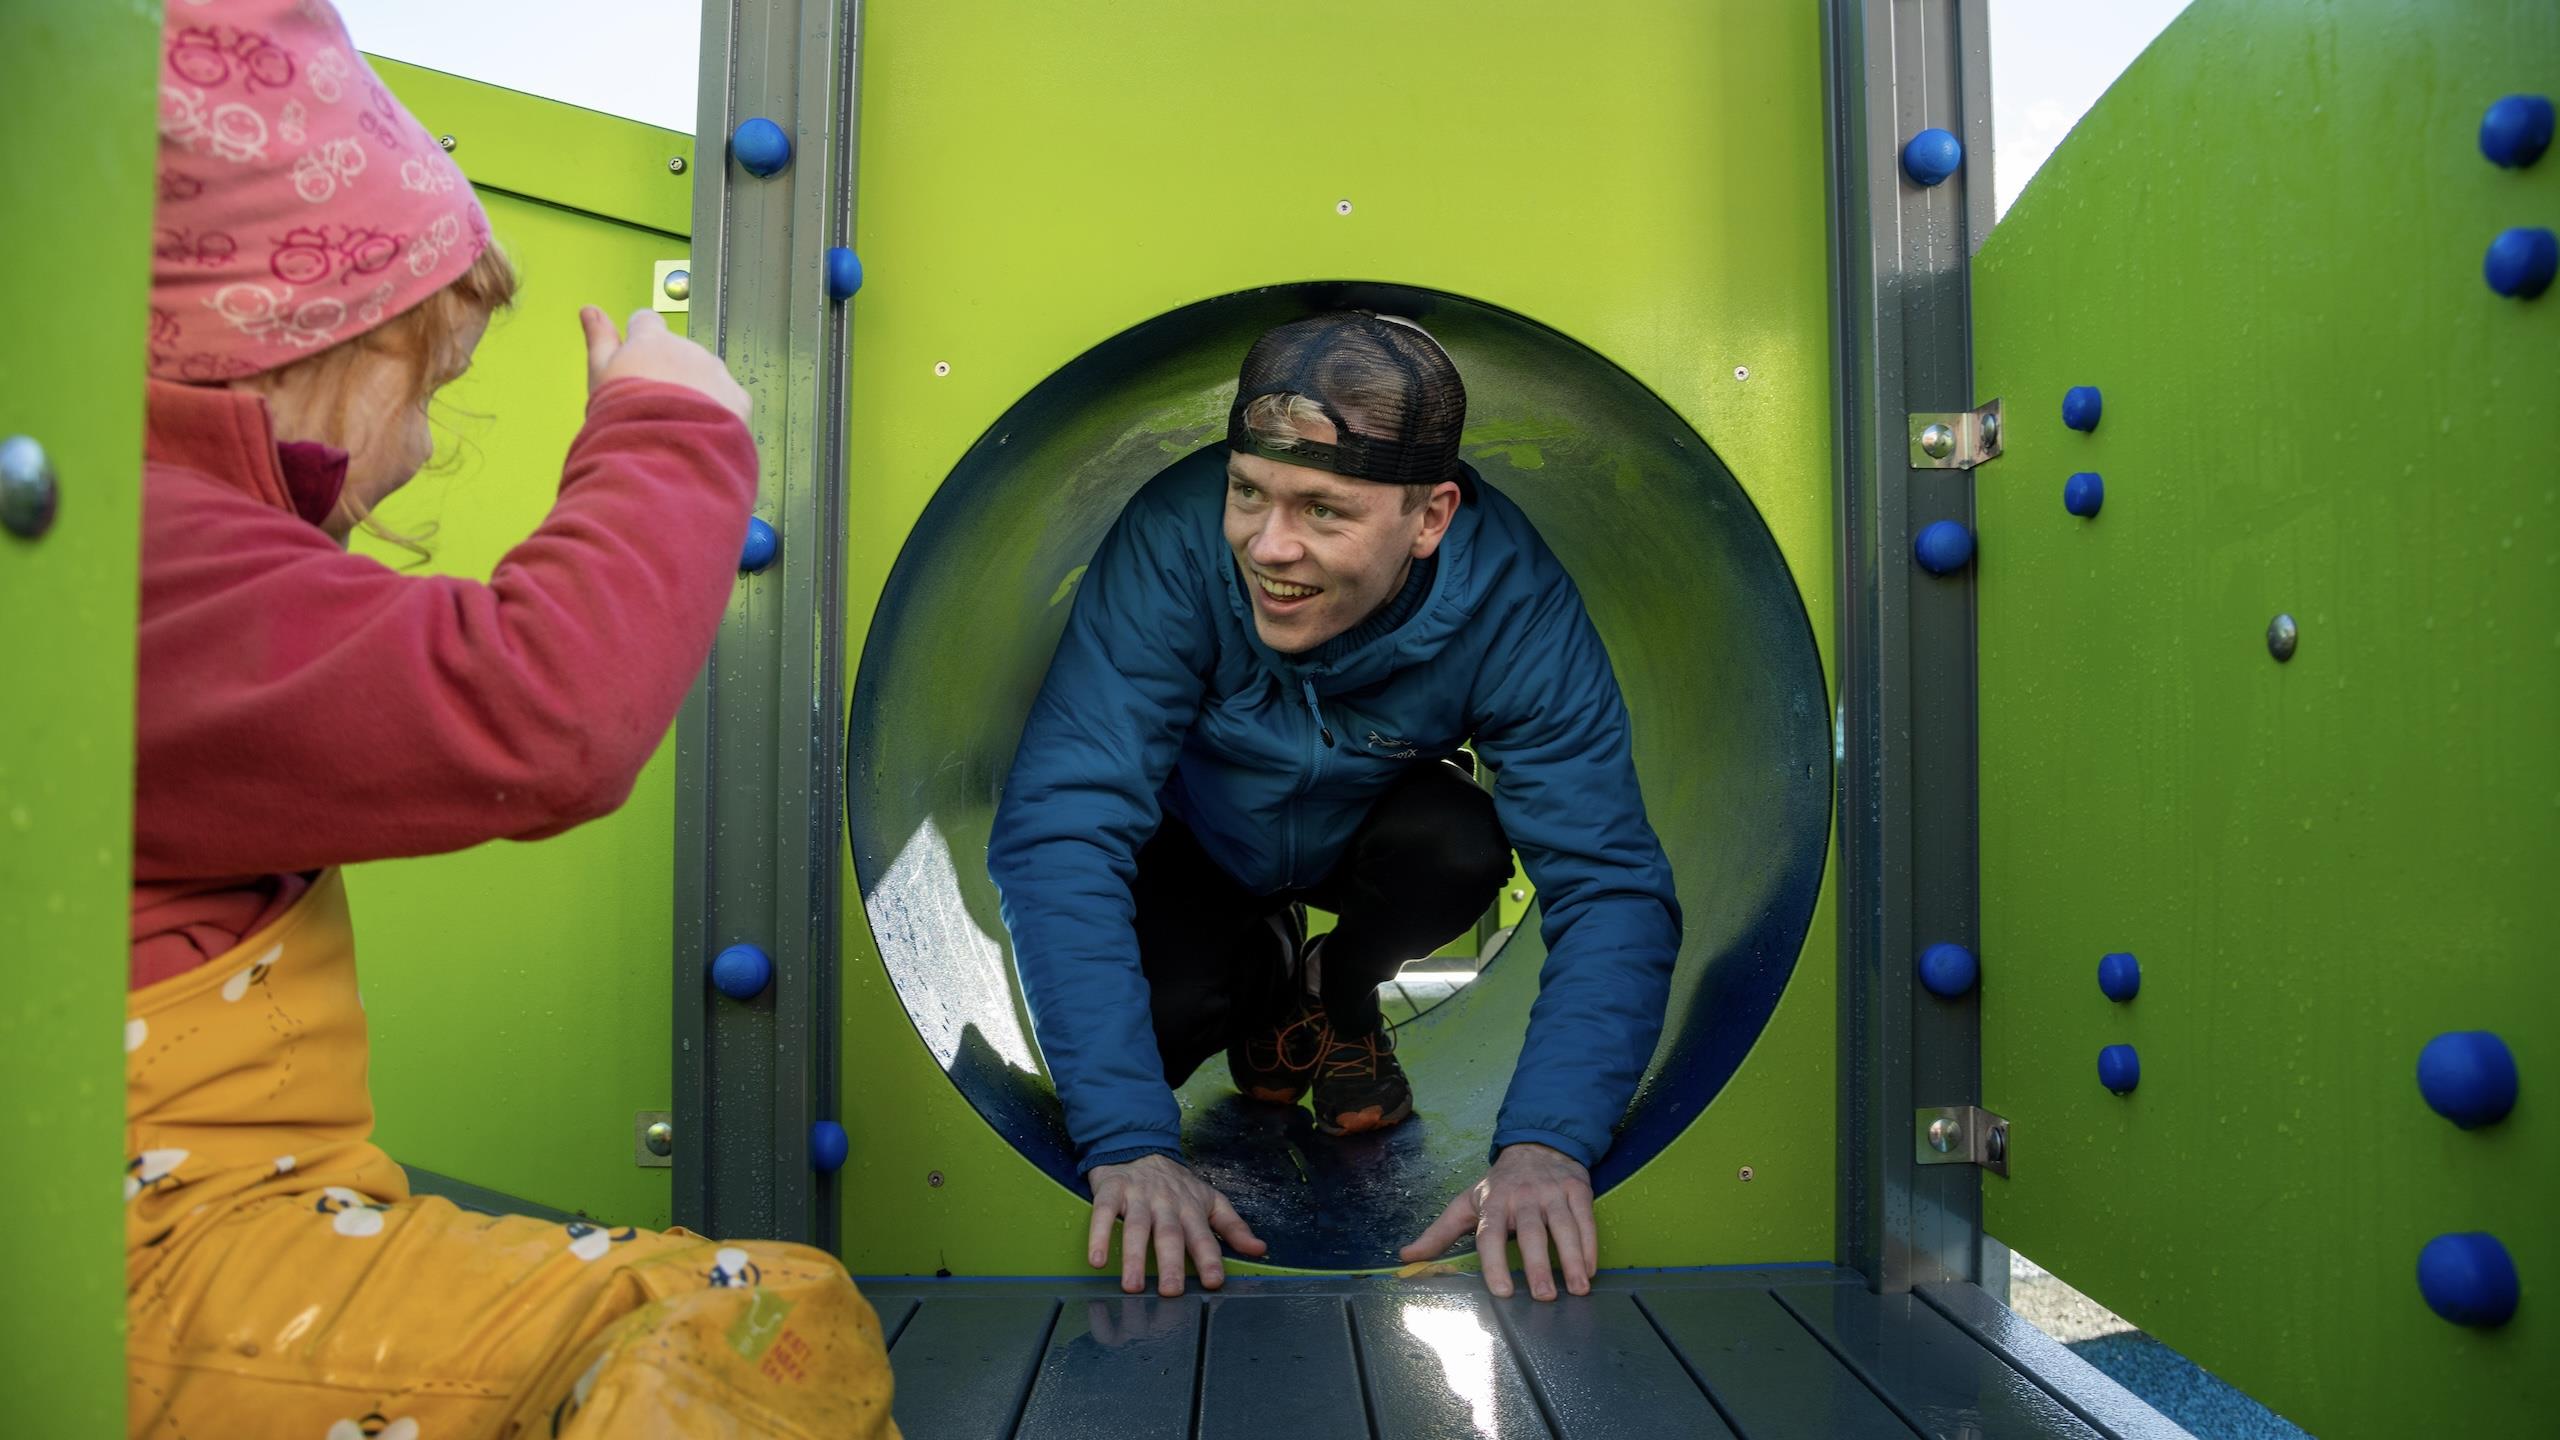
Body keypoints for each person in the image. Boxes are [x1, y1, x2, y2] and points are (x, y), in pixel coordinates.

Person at [124, 3, 896, 1433]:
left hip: (190, 1223)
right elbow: (543, 709)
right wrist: (673, 430)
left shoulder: (126, 543)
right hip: (146, 1268)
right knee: (750, 1321)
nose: (419, 452)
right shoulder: (141, 558)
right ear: (295, 343)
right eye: (428, 389)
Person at [988, 311, 1681, 1304]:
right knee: (1163, 1021)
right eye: (1247, 493)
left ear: (1430, 518)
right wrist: (1130, 1142)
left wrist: (1548, 1143)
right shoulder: (1176, 544)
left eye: (1324, 511)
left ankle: (1336, 988)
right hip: (1194, 841)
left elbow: (1609, 882)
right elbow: (1061, 826)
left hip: (1368, 830)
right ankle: (1262, 977)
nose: (1269, 547)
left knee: (1459, 845)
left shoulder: (1512, 604)